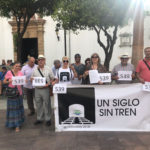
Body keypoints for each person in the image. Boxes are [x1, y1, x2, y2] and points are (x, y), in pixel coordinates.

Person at [31, 55, 56, 126]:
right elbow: (31, 78)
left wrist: (49, 84)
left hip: (45, 89)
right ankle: (40, 118)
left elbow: (53, 79)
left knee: (47, 104)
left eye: (42, 59)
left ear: (44, 60)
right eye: (39, 60)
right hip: (37, 89)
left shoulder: (48, 69)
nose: (40, 61)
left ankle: (48, 119)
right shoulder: (34, 69)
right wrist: (32, 79)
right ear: (37, 61)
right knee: (38, 104)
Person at [3, 62, 25, 132]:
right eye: (16, 66)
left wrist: (25, 81)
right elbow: (4, 81)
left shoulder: (20, 73)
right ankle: (16, 125)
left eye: (19, 66)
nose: (18, 67)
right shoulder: (9, 72)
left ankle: (18, 123)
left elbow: (22, 82)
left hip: (19, 93)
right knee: (13, 110)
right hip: (11, 93)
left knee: (18, 108)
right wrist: (9, 81)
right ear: (13, 66)